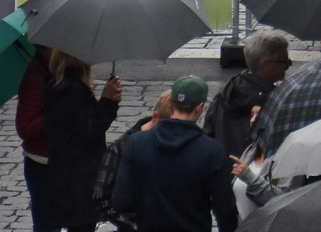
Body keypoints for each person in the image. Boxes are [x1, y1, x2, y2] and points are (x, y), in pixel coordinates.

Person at [113, 76, 238, 232]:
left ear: (170, 103)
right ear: (199, 107)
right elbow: (225, 208)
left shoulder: (136, 142)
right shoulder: (211, 150)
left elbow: (120, 200)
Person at [40, 50, 122, 232]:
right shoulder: (72, 90)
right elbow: (91, 131)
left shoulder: (60, 86)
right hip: (79, 179)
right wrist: (108, 101)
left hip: (68, 173)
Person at [202, 30, 290, 158]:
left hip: (224, 170)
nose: (289, 64)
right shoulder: (275, 102)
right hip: (254, 174)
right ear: (266, 66)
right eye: (284, 61)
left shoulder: (226, 92)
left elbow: (208, 135)